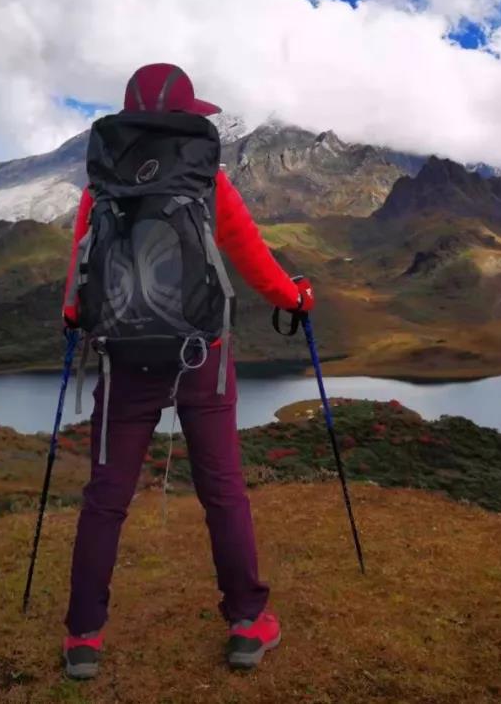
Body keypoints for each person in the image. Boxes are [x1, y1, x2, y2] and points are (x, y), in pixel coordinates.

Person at [60, 63, 315, 679]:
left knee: (106, 498)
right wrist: (296, 299)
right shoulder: (206, 180)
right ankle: (248, 624)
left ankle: (83, 639)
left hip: (124, 360)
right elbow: (253, 260)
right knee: (222, 490)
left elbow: (79, 285)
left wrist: (76, 321)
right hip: (202, 358)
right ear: (185, 114)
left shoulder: (102, 187)